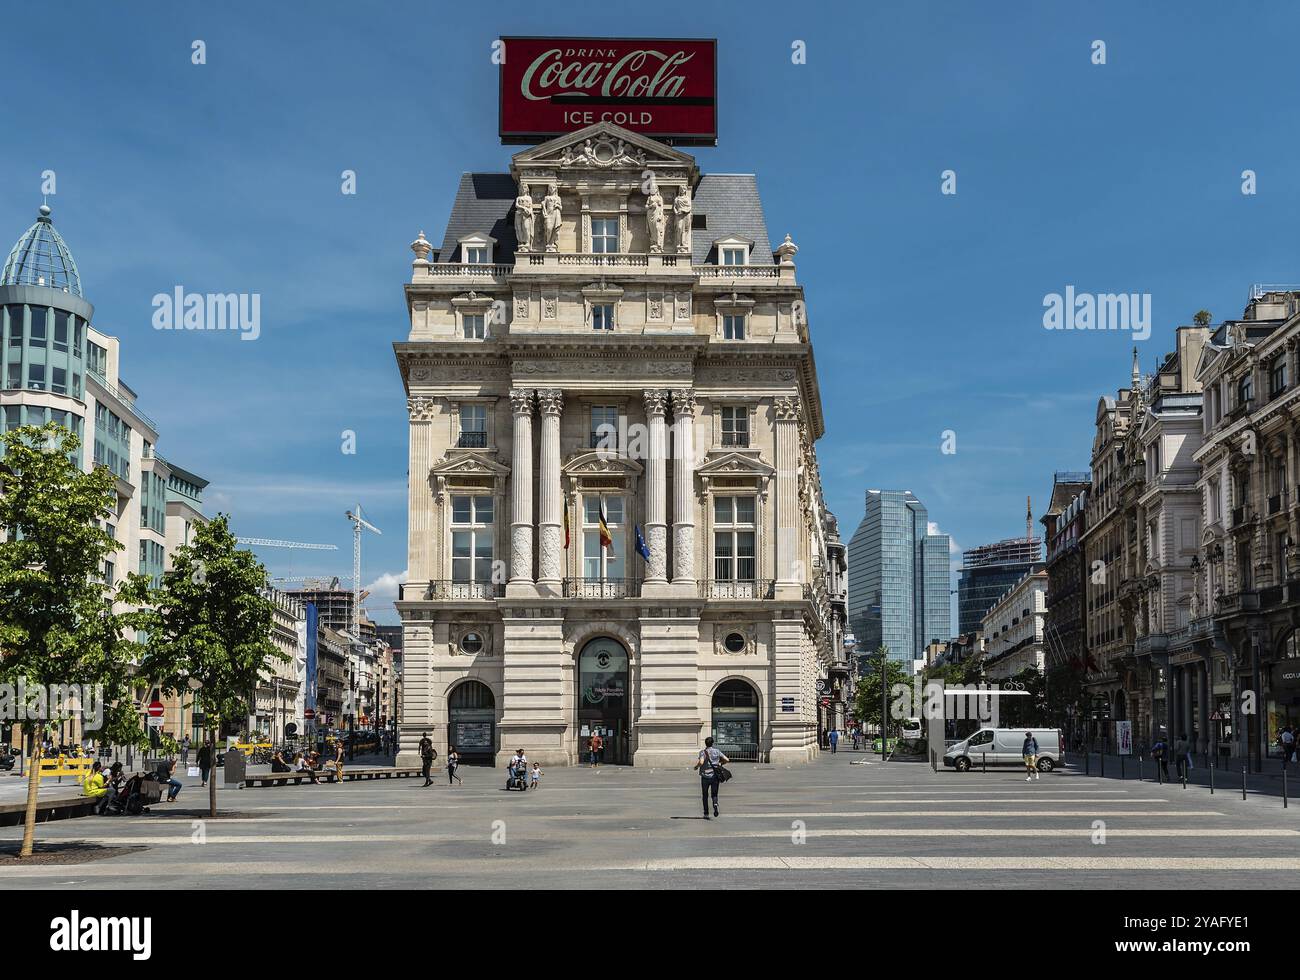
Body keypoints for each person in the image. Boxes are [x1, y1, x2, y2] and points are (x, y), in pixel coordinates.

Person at [694, 736, 730, 819]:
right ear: (712, 743)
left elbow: (701, 761)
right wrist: (720, 763)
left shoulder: (703, 752)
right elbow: (727, 759)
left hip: (705, 776)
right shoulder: (717, 751)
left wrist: (696, 767)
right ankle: (715, 803)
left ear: (705, 743)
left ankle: (706, 813)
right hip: (715, 776)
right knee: (714, 794)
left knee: (705, 795)